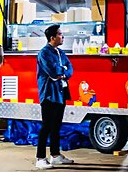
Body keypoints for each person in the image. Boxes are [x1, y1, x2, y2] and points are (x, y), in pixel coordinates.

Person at [35, 24, 74, 169]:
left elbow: (70, 68)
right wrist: (61, 71)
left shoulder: (60, 52)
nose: (62, 36)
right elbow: (53, 71)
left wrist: (64, 72)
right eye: (59, 34)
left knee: (57, 125)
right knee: (47, 126)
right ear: (52, 37)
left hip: (61, 93)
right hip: (49, 94)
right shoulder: (44, 53)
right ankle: (40, 158)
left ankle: (55, 155)